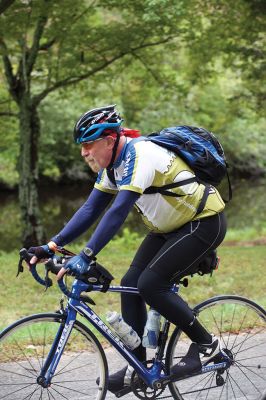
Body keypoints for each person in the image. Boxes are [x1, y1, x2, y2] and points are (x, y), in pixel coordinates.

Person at [29, 104, 227, 394]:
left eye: (88, 145)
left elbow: (118, 210)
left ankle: (209, 346)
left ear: (109, 140)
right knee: (131, 284)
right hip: (168, 229)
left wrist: (86, 255)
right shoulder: (112, 166)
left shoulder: (141, 154)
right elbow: (90, 209)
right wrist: (52, 245)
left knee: (151, 285)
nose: (84, 152)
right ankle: (139, 366)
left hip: (203, 223)